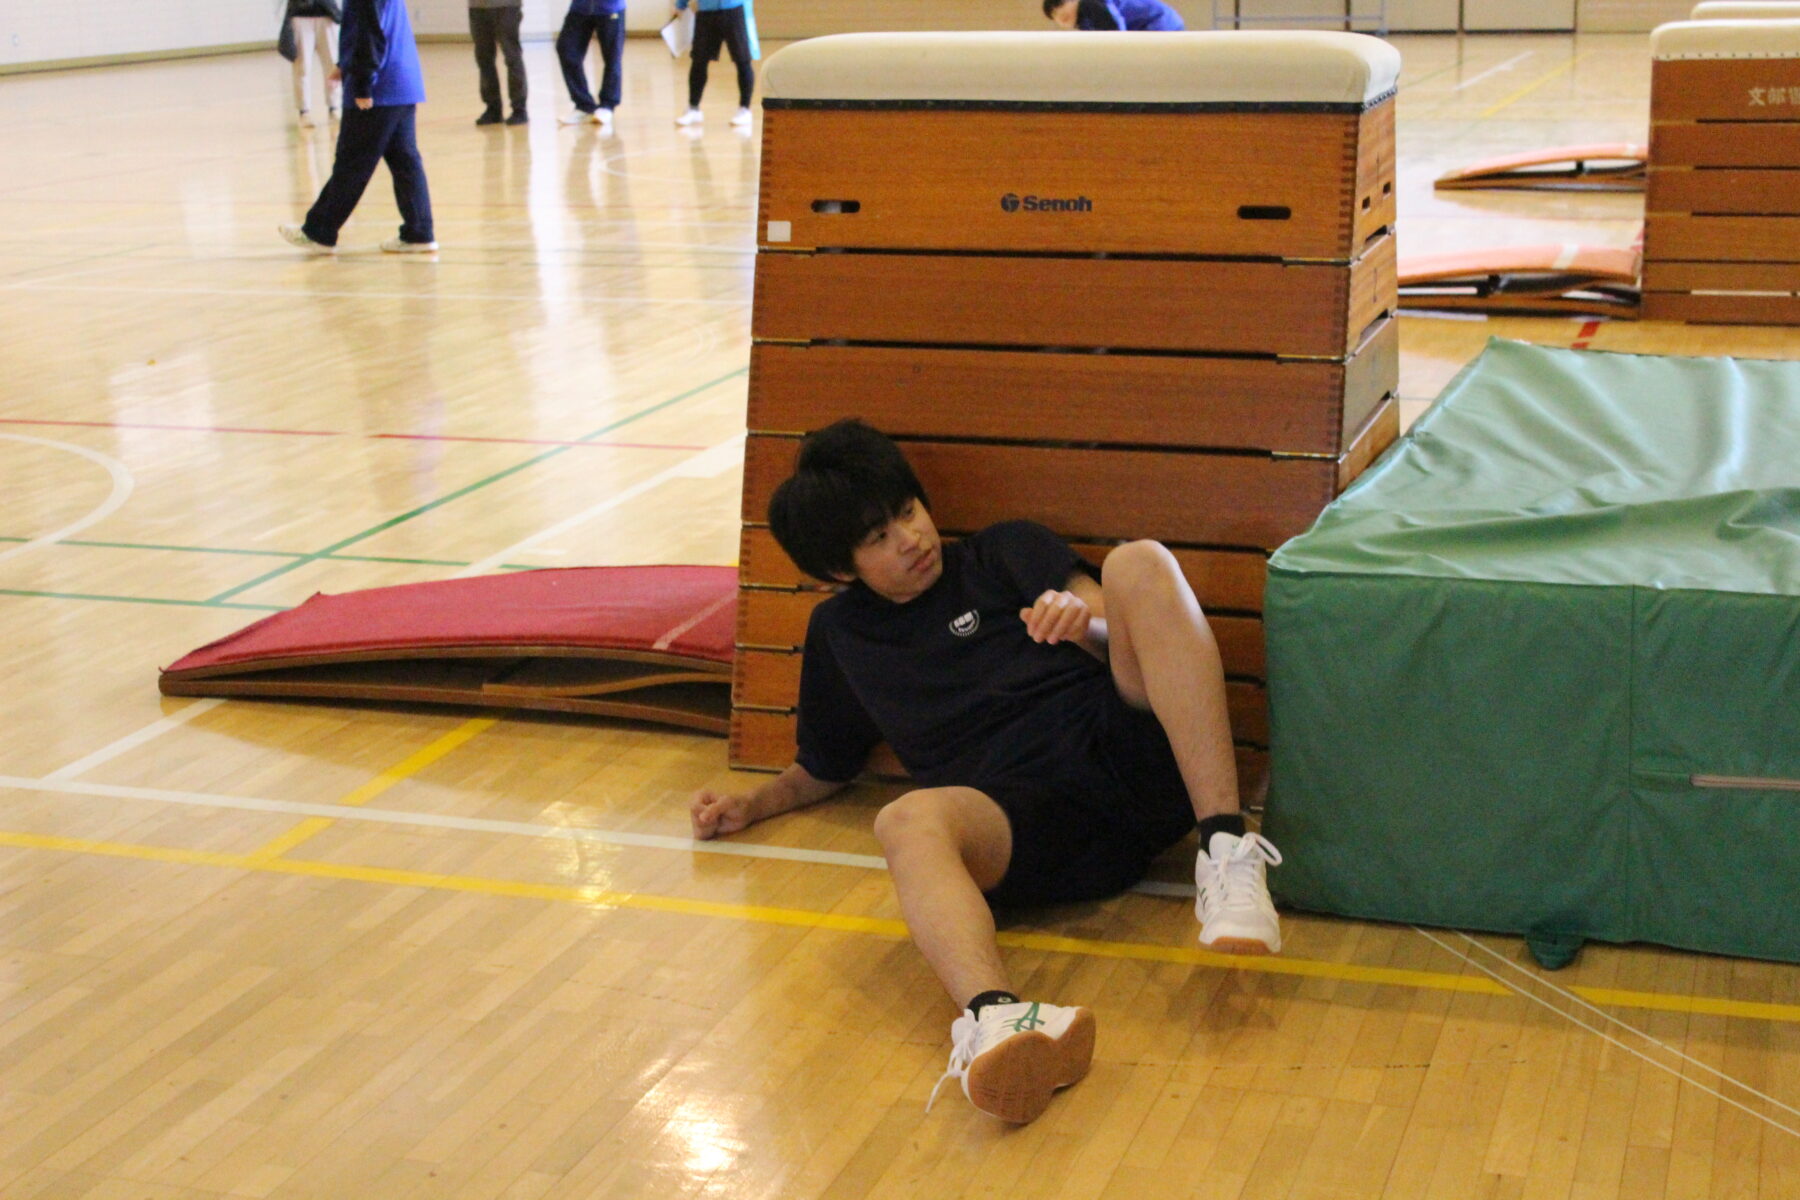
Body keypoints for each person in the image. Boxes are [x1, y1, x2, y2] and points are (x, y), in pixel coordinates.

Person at [690, 419, 1281, 1124]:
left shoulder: (1002, 552)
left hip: (1130, 755)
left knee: (1139, 563)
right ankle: (999, 1021)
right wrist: (752, 804)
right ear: (840, 571)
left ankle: (1225, 850)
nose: (910, 539)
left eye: (907, 513)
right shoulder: (840, 636)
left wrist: (1082, 623)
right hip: (1028, 828)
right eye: (878, 538)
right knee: (903, 817)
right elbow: (824, 764)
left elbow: (1122, 623)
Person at [279, 0, 437, 254]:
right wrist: (345, 65)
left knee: (352, 162)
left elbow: (369, 32)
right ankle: (419, 232)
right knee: (404, 159)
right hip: (403, 82)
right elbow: (373, 26)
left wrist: (363, 82)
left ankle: (319, 231)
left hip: (380, 87)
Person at [671, 0, 757, 129]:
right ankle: (693, 108)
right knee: (699, 60)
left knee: (742, 60)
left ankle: (744, 109)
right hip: (706, 11)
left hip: (734, 9)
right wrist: (680, 4)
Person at [555, 0, 626, 131]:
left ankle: (607, 105)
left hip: (610, 8)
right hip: (580, 8)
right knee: (566, 49)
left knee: (612, 57)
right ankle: (583, 105)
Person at [283, 0, 343, 127]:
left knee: (332, 64)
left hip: (327, 14)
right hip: (300, 15)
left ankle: (334, 107)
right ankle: (304, 112)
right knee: (302, 66)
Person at [469, 0, 528, 126]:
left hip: (506, 6)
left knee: (512, 57)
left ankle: (519, 109)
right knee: (484, 58)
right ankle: (493, 109)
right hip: (477, 6)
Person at [1045, 0, 1188, 30]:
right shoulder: (1084, 21)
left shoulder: (1089, 4)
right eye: (1053, 16)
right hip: (1160, 25)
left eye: (1059, 6)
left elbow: (1116, 31)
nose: (1059, 15)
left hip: (1160, 23)